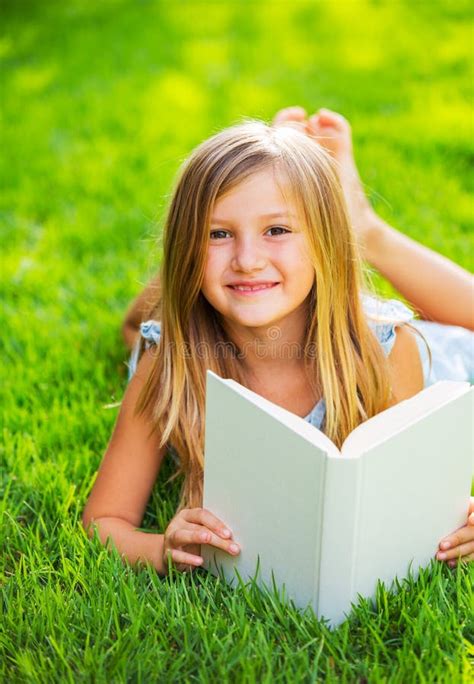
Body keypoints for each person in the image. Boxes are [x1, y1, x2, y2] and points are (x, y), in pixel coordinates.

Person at [82, 107, 474, 577]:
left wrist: (457, 522)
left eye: (277, 230)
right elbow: (103, 521)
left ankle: (360, 223)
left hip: (436, 350)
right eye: (218, 233)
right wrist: (163, 550)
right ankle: (266, 184)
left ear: (326, 243)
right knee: (136, 329)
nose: (248, 259)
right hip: (200, 331)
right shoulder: (165, 361)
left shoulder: (386, 349)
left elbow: (411, 499)